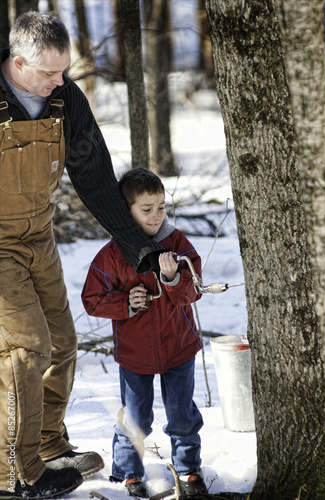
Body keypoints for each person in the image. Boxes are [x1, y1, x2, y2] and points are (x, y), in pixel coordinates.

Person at [0, 12, 163, 499]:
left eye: (64, 70)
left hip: (38, 236)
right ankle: (13, 472)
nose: (60, 81)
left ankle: (47, 447)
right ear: (18, 60)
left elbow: (93, 175)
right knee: (26, 347)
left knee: (63, 343)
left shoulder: (65, 99)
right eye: (49, 72)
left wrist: (142, 250)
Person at [81, 168, 209, 498]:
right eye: (146, 209)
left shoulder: (177, 243)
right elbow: (92, 300)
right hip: (135, 354)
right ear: (128, 212)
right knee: (136, 419)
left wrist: (171, 278)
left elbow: (192, 291)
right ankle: (127, 474)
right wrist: (126, 303)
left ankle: (188, 469)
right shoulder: (112, 254)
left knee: (182, 415)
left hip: (178, 347)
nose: (156, 216)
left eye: (161, 207)